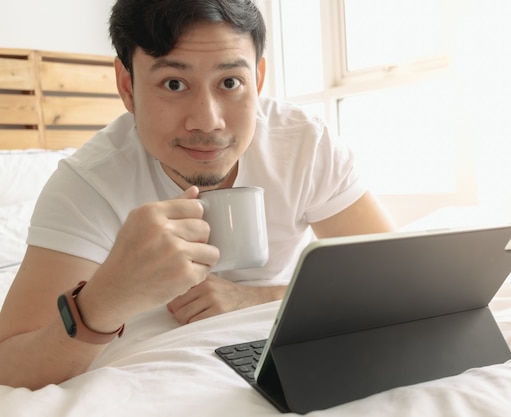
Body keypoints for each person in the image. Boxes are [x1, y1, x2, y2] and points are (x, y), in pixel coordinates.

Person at [0, 0, 395, 390]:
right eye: (174, 83)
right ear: (127, 87)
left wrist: (256, 298)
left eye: (230, 82)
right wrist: (106, 298)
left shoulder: (304, 143)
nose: (208, 120)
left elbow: (391, 279)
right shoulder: (88, 184)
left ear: (257, 79)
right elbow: (9, 366)